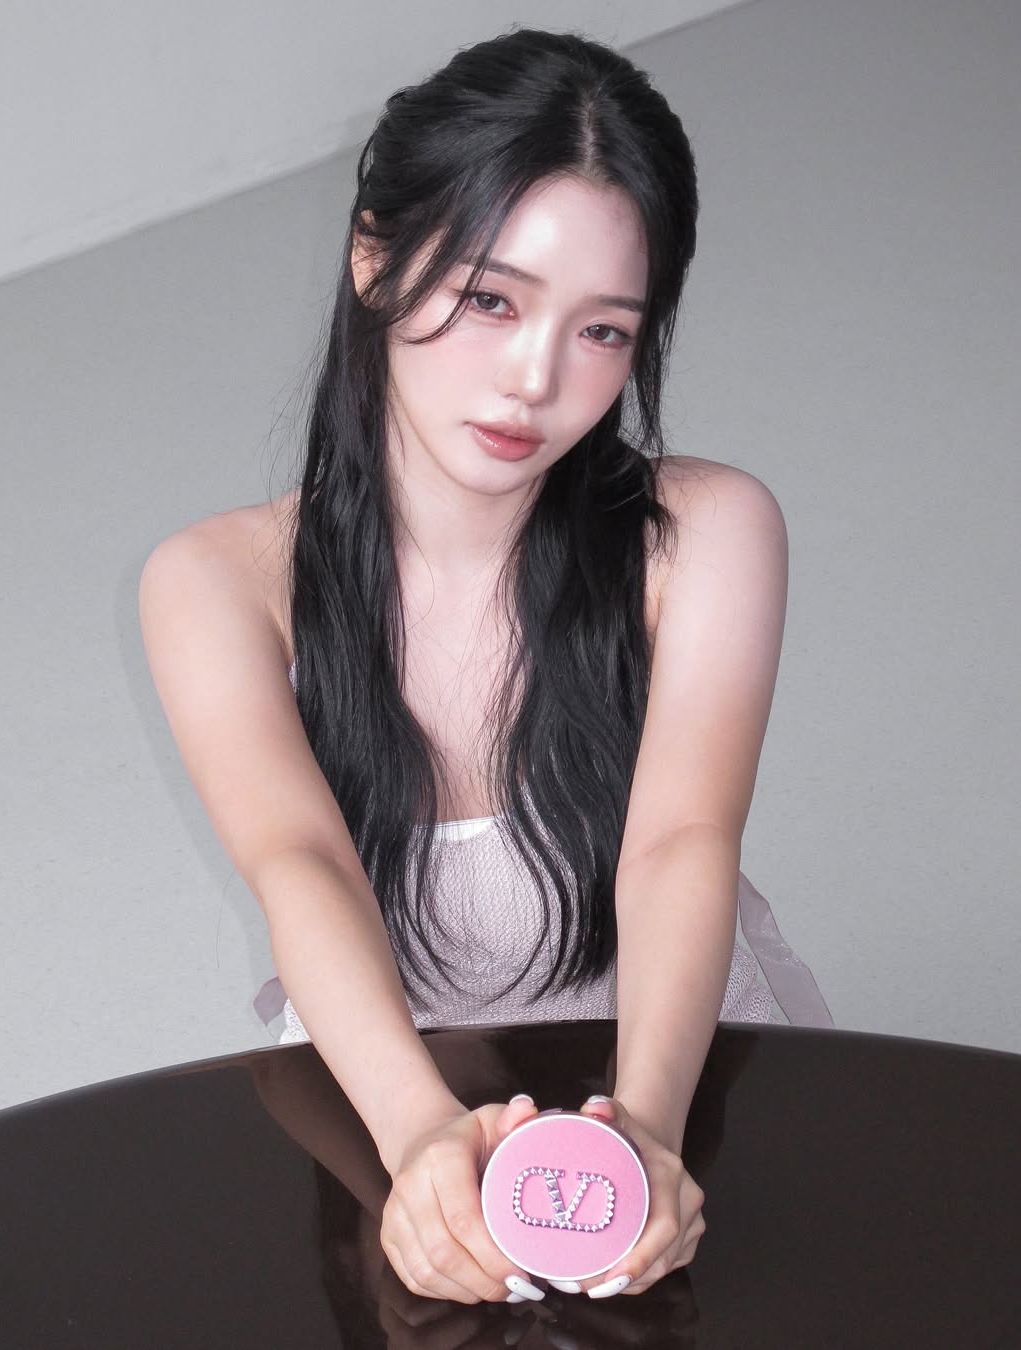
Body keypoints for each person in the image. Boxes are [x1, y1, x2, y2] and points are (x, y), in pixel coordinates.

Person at [139, 25, 833, 1308]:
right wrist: (417, 1136)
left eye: (604, 331)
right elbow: (301, 864)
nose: (534, 379)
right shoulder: (214, 583)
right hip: (383, 1075)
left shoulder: (709, 532)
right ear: (374, 257)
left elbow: (683, 840)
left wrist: (647, 1135)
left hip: (671, 1054)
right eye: (491, 299)